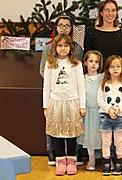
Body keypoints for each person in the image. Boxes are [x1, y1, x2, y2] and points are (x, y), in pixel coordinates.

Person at [39, 15, 84, 166]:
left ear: (71, 47)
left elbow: (81, 85)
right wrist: (45, 106)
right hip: (55, 102)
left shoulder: (76, 63)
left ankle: (71, 160)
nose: (63, 48)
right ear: (55, 47)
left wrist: (82, 105)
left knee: (71, 132)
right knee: (56, 132)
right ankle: (60, 161)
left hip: (72, 101)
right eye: (59, 45)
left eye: (66, 45)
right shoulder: (50, 63)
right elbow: (46, 87)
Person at [97, 55, 122, 176]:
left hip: (120, 117)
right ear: (107, 69)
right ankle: (106, 163)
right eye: (112, 67)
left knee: (118, 141)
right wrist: (108, 110)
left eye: (118, 66)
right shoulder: (103, 83)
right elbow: (100, 100)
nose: (115, 69)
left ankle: (119, 162)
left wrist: (118, 109)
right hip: (105, 116)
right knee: (106, 142)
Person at [83, 0, 122, 70]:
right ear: (101, 12)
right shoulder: (91, 33)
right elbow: (87, 57)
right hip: (96, 75)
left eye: (113, 10)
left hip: (116, 76)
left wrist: (116, 72)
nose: (110, 13)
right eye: (107, 10)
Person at [77, 50, 104, 171]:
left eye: (96, 62)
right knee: (89, 136)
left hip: (100, 111)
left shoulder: (103, 78)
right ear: (85, 63)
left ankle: (106, 158)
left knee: (103, 136)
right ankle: (91, 158)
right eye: (91, 61)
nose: (94, 64)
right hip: (87, 112)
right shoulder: (81, 79)